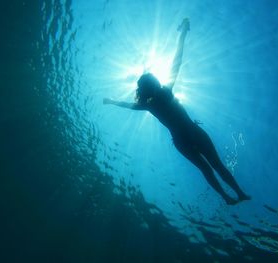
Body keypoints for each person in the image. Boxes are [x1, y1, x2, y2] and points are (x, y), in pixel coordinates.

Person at [103, 18, 251, 205]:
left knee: (209, 168)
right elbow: (176, 61)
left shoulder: (156, 99)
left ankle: (232, 195)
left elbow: (129, 104)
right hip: (190, 134)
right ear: (153, 84)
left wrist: (111, 101)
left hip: (183, 139)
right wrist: (182, 34)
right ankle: (234, 194)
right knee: (212, 166)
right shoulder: (163, 93)